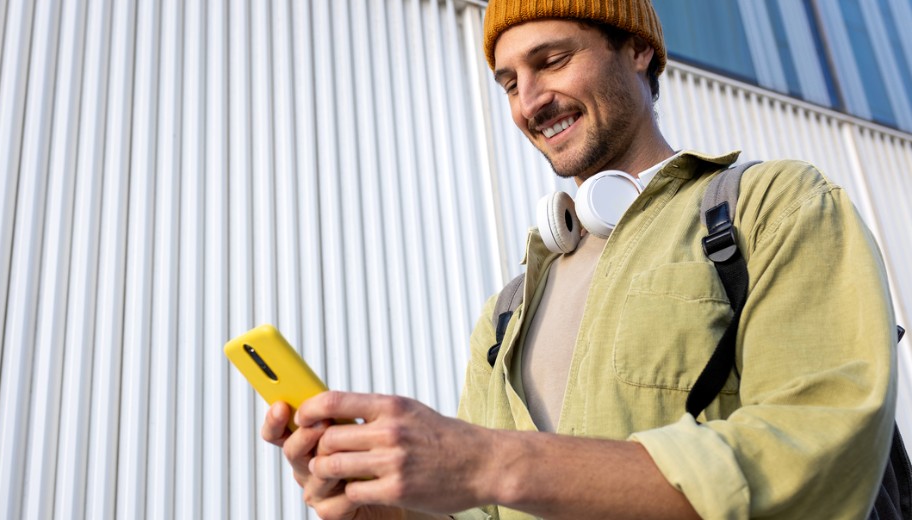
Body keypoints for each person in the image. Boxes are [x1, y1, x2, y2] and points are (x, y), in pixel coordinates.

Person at [261, 0, 899, 518]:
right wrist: (385, 509)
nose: (530, 101)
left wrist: (491, 461)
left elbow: (817, 452)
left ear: (638, 49)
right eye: (510, 82)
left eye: (553, 60)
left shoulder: (773, 205)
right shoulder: (507, 312)